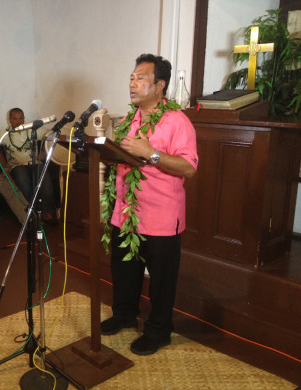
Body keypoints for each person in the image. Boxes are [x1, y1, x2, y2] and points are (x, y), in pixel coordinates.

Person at [100, 54, 198, 356]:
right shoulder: (129, 119)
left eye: (140, 78)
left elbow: (189, 168)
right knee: (124, 270)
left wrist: (152, 153)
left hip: (161, 217)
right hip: (126, 213)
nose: (132, 83)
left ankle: (158, 330)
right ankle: (124, 315)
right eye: (131, 77)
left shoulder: (177, 121)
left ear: (160, 85)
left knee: (161, 280)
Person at [0, 108, 58, 225]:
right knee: (23, 181)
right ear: (10, 120)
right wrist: (4, 168)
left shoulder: (33, 129)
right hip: (17, 166)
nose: (18, 121)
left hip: (35, 163)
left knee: (46, 181)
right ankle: (29, 215)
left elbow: (50, 135)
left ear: (24, 119)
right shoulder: (4, 134)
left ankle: (48, 213)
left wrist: (44, 150)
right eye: (15, 119)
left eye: (21, 118)